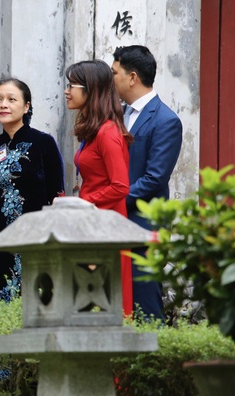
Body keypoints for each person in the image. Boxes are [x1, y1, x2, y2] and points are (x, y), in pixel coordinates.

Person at [0, 78, 65, 303]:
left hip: (33, 240)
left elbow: (56, 196)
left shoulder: (43, 143)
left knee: (33, 302)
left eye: (12, 99)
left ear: (26, 106)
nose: (4, 105)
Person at [112, 45, 183, 320]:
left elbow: (155, 178)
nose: (111, 79)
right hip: (116, 226)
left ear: (132, 77)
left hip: (142, 227)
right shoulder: (118, 114)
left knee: (145, 307)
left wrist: (114, 201)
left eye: (114, 73)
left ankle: (156, 362)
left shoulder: (166, 120)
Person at [65, 60, 134, 315]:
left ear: (91, 89)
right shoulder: (94, 130)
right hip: (92, 222)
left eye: (72, 85)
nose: (66, 91)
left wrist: (84, 202)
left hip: (107, 225)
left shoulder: (108, 132)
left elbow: (120, 186)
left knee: (107, 299)